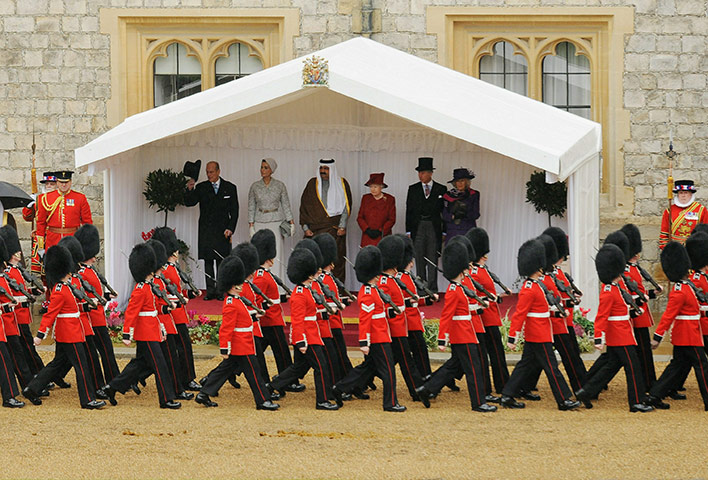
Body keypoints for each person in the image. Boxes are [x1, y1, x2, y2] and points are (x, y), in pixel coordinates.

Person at [500, 239, 580, 411]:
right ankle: (563, 400)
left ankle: (507, 395)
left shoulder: (537, 285)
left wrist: (558, 313)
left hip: (541, 331)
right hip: (538, 334)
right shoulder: (529, 288)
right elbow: (520, 314)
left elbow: (542, 310)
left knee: (524, 366)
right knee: (552, 367)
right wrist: (513, 336)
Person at [415, 241, 496, 412]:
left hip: (467, 331)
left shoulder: (459, 287)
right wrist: (442, 339)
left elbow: (465, 308)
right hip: (462, 334)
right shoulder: (454, 290)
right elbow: (447, 316)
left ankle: (427, 389)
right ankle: (478, 402)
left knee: (453, 366)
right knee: (474, 368)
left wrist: (480, 306)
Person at [100, 243, 181, 409]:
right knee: (160, 365)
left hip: (152, 329)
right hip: (146, 332)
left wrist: (167, 307)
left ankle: (111, 388)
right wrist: (126, 334)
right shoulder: (140, 289)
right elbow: (131, 313)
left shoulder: (149, 287)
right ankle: (166, 399)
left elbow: (154, 307)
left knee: (140, 364)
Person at [23, 245, 105, 409]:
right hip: (70, 333)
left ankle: (32, 389)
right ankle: (87, 399)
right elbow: (50, 314)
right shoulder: (60, 290)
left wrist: (89, 306)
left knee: (57, 363)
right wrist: (40, 335)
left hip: (74, 330)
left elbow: (73, 308)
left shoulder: (67, 287)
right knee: (82, 365)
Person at [575, 244, 653, 412]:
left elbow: (622, 308)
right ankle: (636, 402)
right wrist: (598, 338)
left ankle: (586, 392)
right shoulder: (608, 291)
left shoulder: (617, 287)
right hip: (620, 335)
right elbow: (601, 317)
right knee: (633, 367)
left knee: (611, 366)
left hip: (624, 331)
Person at [195, 256, 279, 410]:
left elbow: (243, 317)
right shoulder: (231, 303)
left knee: (224, 370)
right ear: (234, 286)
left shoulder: (237, 300)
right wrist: (225, 348)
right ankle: (262, 401)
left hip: (243, 342)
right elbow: (226, 328)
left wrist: (254, 315)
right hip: (241, 344)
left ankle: (204, 393)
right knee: (254, 373)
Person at [332, 246, 405, 412]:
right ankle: (390, 403)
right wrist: (364, 341)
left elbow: (379, 313)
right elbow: (365, 319)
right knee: (388, 370)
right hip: (377, 337)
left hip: (381, 333)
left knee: (365, 370)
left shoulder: (373, 289)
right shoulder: (368, 292)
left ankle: (339, 388)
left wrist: (392, 311)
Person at [267, 248, 340, 410]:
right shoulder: (300, 293)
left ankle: (271, 386)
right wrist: (300, 341)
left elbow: (311, 313)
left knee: (298, 368)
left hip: (313, 333)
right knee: (321, 366)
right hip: (307, 337)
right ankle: (322, 400)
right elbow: (298, 320)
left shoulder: (307, 290)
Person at [646, 242, 708, 411]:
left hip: (689, 333)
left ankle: (654, 395)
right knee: (702, 365)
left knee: (676, 366)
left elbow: (696, 307)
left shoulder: (687, 286)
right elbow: (668, 316)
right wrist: (657, 337)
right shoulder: (679, 290)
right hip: (688, 335)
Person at [184, 161, 239, 300]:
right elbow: (190, 202)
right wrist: (189, 189)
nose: (209, 175)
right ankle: (210, 291)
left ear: (218, 171)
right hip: (206, 230)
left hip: (223, 230)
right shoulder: (202, 187)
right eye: (207, 172)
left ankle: (221, 291)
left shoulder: (230, 187)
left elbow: (235, 211)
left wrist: (230, 228)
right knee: (208, 261)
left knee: (221, 261)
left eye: (212, 172)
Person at [73, 224, 120, 385]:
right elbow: (84, 297)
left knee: (106, 351)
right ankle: (108, 381)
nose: (94, 258)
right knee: (101, 351)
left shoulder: (90, 270)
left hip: (98, 316)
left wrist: (107, 295)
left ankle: (113, 379)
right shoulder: (81, 273)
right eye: (92, 254)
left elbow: (96, 295)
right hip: (92, 318)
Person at [466, 227, 509, 397]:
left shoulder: (482, 269)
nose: (486, 256)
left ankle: (502, 384)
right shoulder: (473, 272)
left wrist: (497, 296)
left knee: (497, 354)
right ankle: (486, 389)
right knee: (486, 356)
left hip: (491, 316)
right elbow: (476, 296)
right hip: (484, 318)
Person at [299, 158, 352, 281]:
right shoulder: (312, 184)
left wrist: (342, 226)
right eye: (321, 168)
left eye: (326, 168)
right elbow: (304, 207)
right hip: (314, 231)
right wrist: (305, 228)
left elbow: (346, 207)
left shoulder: (342, 183)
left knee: (335, 262)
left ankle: (337, 293)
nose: (323, 171)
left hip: (334, 230)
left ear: (332, 169)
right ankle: (314, 291)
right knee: (315, 261)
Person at [247, 158, 295, 281]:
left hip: (276, 221)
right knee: (259, 253)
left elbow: (286, 204)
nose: (262, 170)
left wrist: (291, 222)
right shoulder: (255, 186)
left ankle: (278, 288)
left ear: (272, 170)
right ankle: (259, 285)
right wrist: (251, 225)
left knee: (276, 253)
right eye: (262, 167)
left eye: (266, 167)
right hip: (259, 221)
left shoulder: (280, 185)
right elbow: (251, 206)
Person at [405, 157, 446, 293]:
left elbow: (444, 212)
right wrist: (408, 230)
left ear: (430, 173)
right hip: (418, 226)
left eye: (423, 172)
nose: (420, 175)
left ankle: (433, 289)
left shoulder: (441, 189)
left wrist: (444, 231)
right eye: (419, 172)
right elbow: (409, 210)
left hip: (434, 226)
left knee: (432, 257)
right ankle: (421, 288)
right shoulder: (413, 189)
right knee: (419, 257)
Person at [35, 170, 92, 251]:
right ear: (57, 182)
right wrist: (40, 245)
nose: (64, 185)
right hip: (52, 240)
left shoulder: (80, 198)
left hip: (73, 239)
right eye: (61, 182)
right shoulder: (45, 198)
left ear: (71, 182)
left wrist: (87, 242)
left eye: (66, 182)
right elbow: (41, 222)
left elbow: (87, 222)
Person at [659, 180, 708, 249]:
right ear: (678, 194)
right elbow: (664, 233)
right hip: (676, 249)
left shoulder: (701, 210)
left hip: (695, 249)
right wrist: (666, 249)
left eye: (686, 192)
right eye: (681, 193)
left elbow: (706, 232)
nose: (683, 195)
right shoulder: (669, 211)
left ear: (691, 194)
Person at [357, 173, 396, 247]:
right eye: (371, 186)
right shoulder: (365, 198)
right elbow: (360, 217)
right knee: (367, 257)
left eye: (375, 187)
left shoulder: (390, 199)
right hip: (367, 237)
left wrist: (380, 231)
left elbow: (392, 219)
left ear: (381, 187)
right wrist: (367, 230)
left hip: (383, 237)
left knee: (383, 257)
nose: (372, 189)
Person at [442, 168, 480, 243]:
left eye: (462, 181)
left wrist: (463, 213)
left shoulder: (474, 194)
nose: (459, 183)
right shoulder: (448, 195)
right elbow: (444, 215)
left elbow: (476, 214)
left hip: (467, 230)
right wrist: (453, 216)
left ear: (467, 182)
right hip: (452, 231)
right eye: (457, 181)